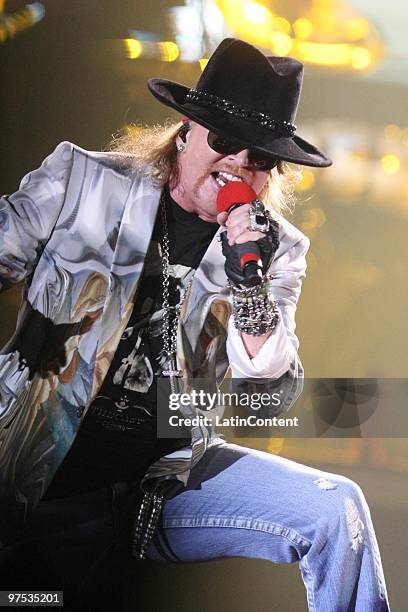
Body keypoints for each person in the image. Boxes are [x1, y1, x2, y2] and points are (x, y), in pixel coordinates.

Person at [0, 38, 390, 610]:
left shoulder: (278, 250)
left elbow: (269, 393)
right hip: (41, 466)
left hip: (169, 481)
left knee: (337, 508)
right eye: (227, 141)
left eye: (260, 157)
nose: (239, 164)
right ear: (187, 130)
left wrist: (248, 283)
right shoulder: (82, 183)